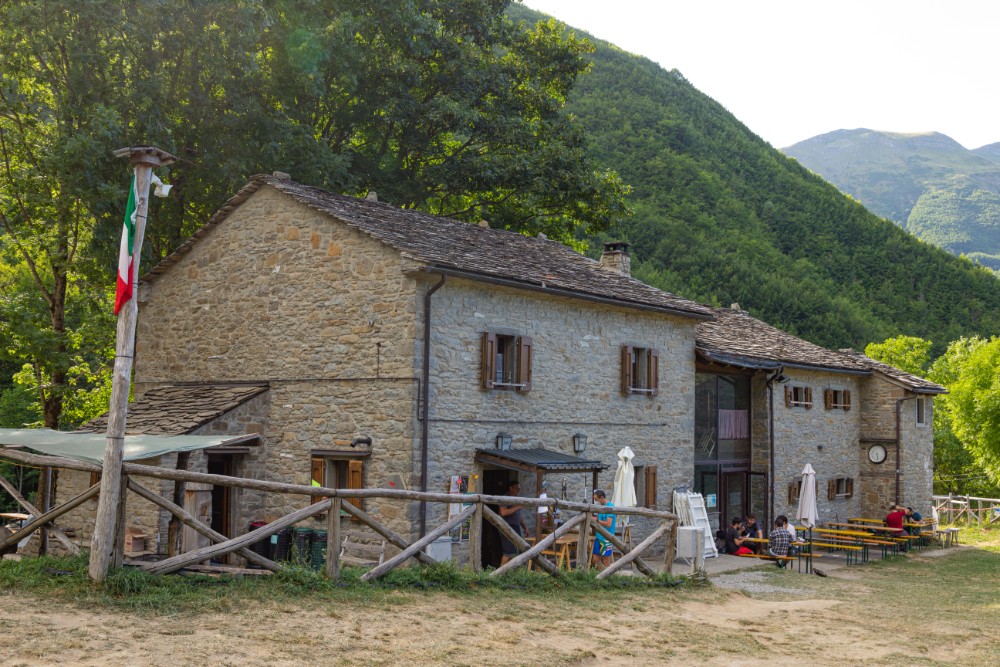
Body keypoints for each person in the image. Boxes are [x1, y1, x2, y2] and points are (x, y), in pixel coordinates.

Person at [499, 480, 528, 565]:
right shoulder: (505, 498)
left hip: (516, 527)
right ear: (510, 488)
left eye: (519, 488)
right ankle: (499, 575)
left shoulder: (516, 498)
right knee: (508, 553)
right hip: (506, 527)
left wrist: (525, 527)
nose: (518, 490)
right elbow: (503, 512)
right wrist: (518, 507)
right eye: (516, 488)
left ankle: (510, 573)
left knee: (516, 552)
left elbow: (519, 515)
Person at [590, 488, 616, 569]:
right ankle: (603, 573)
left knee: (606, 560)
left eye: (597, 500)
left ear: (602, 498)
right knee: (595, 559)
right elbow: (601, 518)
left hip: (607, 537)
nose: (596, 502)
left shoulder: (610, 507)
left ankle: (607, 576)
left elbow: (608, 524)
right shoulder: (601, 507)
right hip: (599, 536)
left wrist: (597, 520)